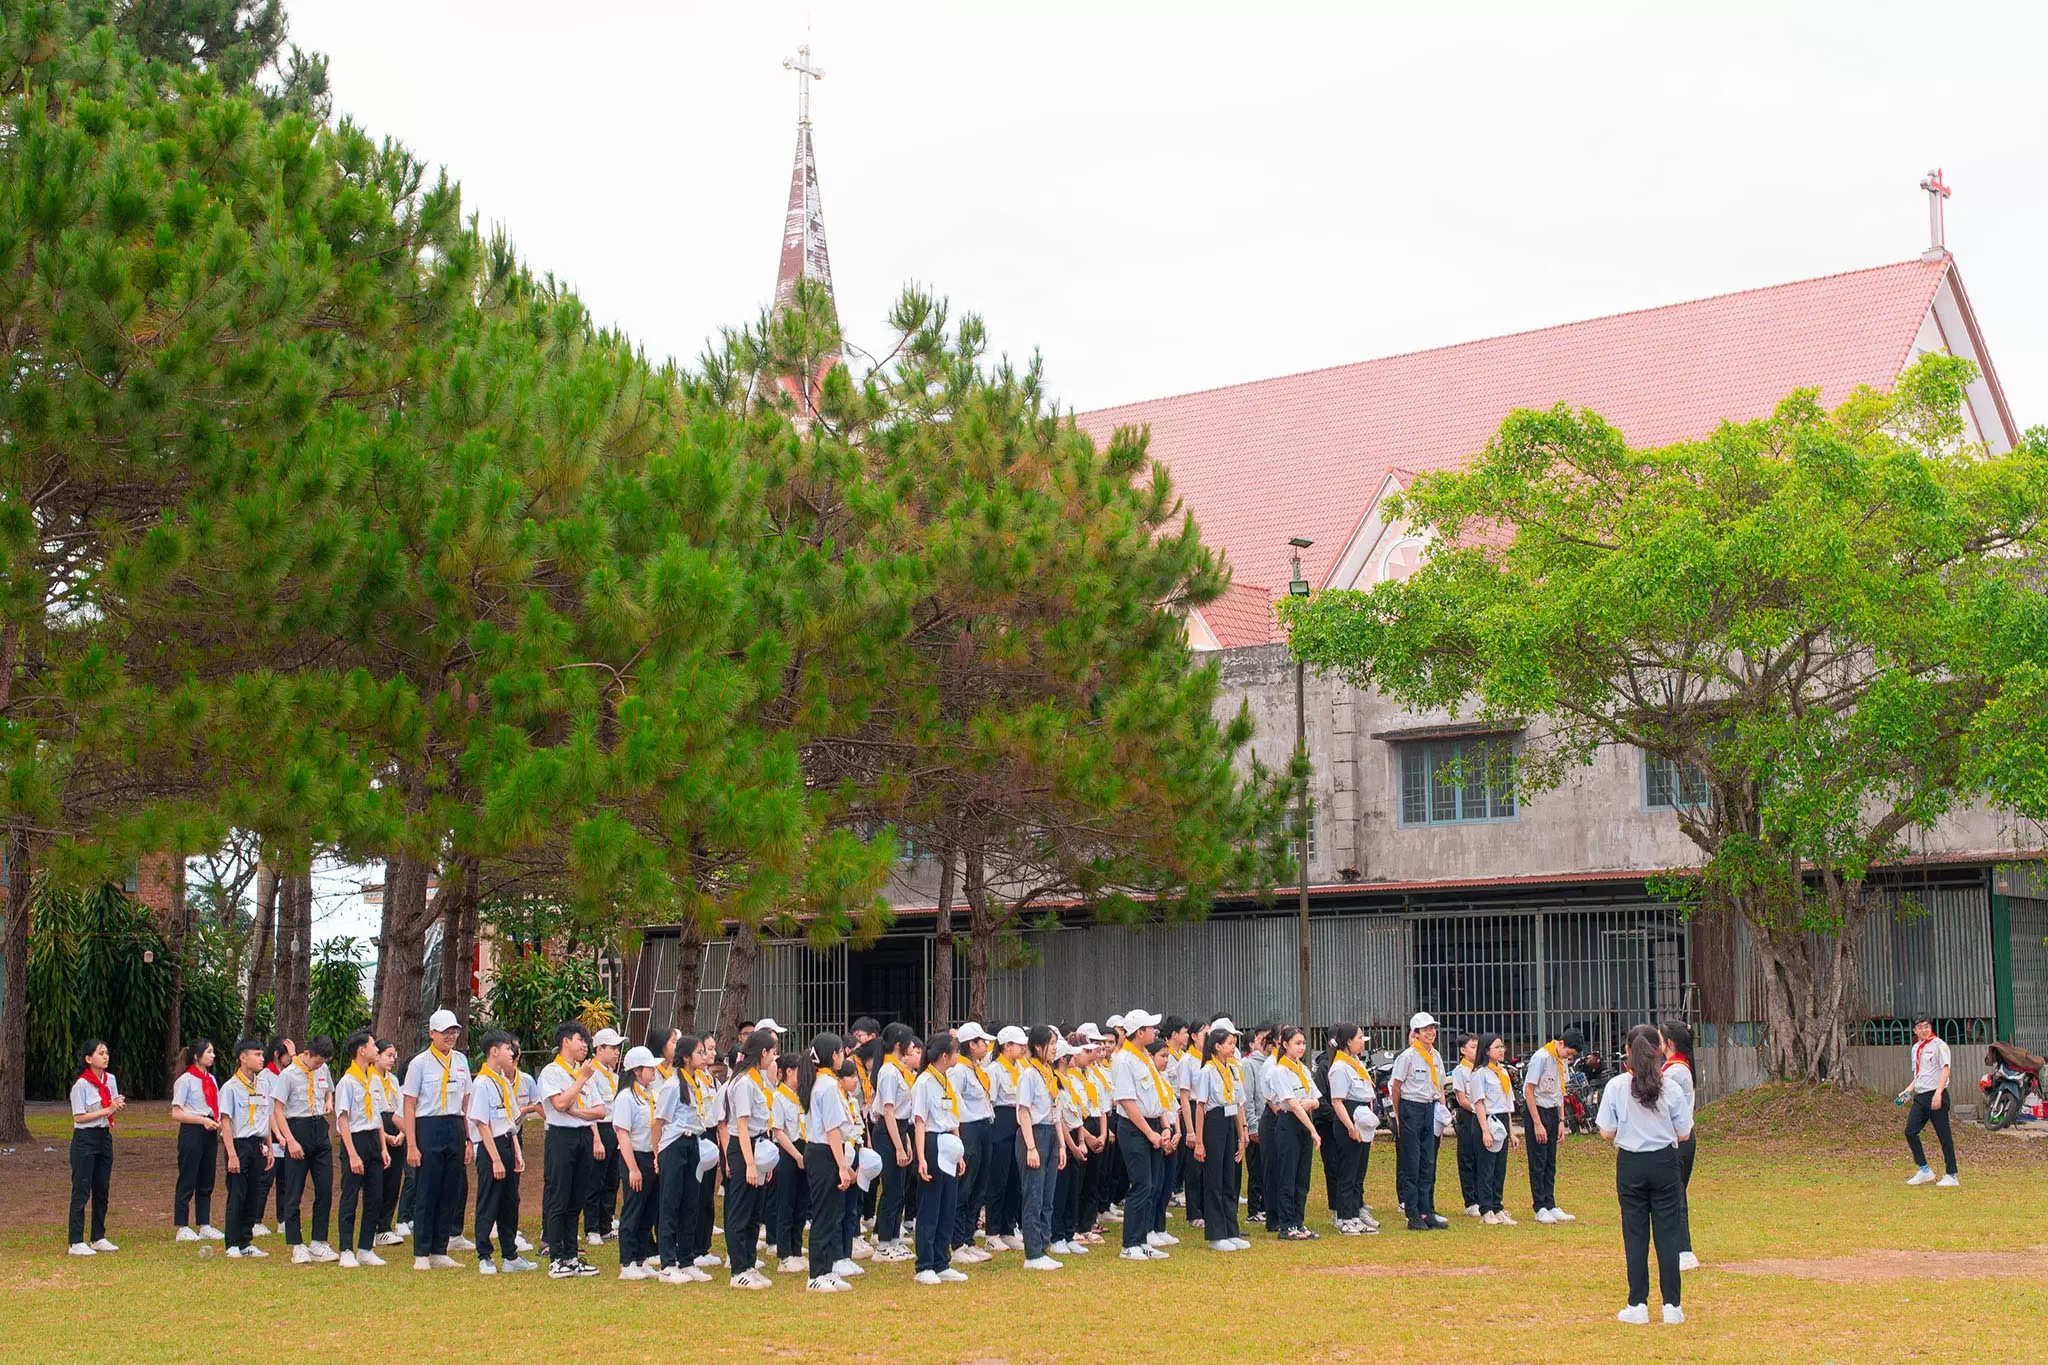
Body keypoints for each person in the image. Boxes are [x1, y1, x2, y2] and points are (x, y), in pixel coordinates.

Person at [1599, 1024, 1694, 1326]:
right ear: (1660, 1050)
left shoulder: (1616, 1086)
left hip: (1631, 1164)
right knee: (1668, 1234)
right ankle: (1672, 1306)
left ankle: (1637, 1303)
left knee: (1635, 1235)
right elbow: (1683, 1133)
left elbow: (1606, 1132)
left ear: (1627, 1050)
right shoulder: (1671, 1086)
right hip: (1665, 1162)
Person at [401, 1008, 471, 1269]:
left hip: (454, 1124)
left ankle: (440, 1249)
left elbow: (465, 1101)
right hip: (427, 1125)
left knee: (450, 1188)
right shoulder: (419, 1063)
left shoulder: (461, 1061)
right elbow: (409, 1104)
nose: (450, 1036)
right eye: (444, 1032)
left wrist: (467, 1139)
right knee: (427, 1190)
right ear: (431, 1033)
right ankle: (422, 1251)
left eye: (453, 1031)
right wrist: (412, 1143)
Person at [538, 1021, 605, 1278]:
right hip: (560, 1137)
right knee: (559, 1196)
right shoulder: (552, 1072)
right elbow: (560, 1102)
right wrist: (581, 1080)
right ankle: (556, 1257)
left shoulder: (585, 1072)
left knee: (577, 1197)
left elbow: (599, 1111)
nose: (585, 1046)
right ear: (566, 1041)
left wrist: (578, 1112)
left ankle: (571, 1255)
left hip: (583, 1134)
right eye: (581, 1040)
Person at [1108, 1009, 1173, 1261]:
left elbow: (1157, 1096)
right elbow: (1126, 1101)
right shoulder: (1124, 1060)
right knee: (1141, 1184)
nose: (1154, 1032)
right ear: (1139, 1032)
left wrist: (1164, 1127)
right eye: (1149, 1028)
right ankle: (1130, 1244)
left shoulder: (1144, 1057)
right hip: (1136, 1128)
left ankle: (1143, 1239)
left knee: (1152, 1185)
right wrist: (1149, 1133)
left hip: (1153, 1124)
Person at [468, 1030, 533, 1275]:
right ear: (494, 1052)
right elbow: (482, 1123)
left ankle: (510, 1255)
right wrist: (495, 1158)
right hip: (490, 1147)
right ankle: (484, 1255)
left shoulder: (503, 1081)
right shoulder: (482, 1082)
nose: (512, 1053)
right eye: (507, 1049)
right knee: (489, 1200)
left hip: (506, 1143)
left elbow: (510, 1119)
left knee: (510, 1201)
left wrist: (517, 1151)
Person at [652, 1032, 713, 1284]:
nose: (704, 1056)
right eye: (699, 1052)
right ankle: (667, 1262)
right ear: (686, 1057)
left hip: (693, 1142)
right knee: (670, 1202)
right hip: (674, 1144)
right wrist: (657, 1154)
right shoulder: (672, 1085)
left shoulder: (697, 1081)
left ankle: (686, 1259)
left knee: (692, 1201)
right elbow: (658, 1122)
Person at [801, 1032, 857, 1292]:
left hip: (825, 1151)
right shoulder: (827, 1086)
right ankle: (816, 1273)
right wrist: (842, 1167)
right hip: (824, 1152)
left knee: (831, 1212)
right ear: (833, 1055)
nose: (844, 1056)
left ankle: (827, 1269)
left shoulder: (824, 1082)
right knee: (824, 1214)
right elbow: (833, 1130)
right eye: (841, 1052)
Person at [910, 1030, 967, 1285]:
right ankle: (925, 1264)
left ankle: (942, 1261)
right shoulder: (924, 1082)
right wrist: (922, 1157)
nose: (958, 1056)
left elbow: (952, 1115)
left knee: (948, 1204)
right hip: (933, 1143)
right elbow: (920, 1122)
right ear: (945, 1056)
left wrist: (960, 1151)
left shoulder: (946, 1079)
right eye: (955, 1052)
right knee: (931, 1205)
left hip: (949, 1144)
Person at [275, 1034, 338, 1263]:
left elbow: (329, 1089)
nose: (320, 1066)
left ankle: (319, 1241)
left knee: (324, 1188)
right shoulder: (289, 1074)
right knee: (294, 1190)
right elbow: (278, 1110)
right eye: (317, 1061)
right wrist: (290, 1140)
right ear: (308, 1054)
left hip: (318, 1127)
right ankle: (296, 1243)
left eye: (323, 1062)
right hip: (297, 1127)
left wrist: (329, 1101)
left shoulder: (323, 1070)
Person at [725, 1025, 780, 1289]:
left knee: (755, 1210)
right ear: (762, 1053)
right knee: (741, 1210)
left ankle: (749, 1262)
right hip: (744, 1147)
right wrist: (749, 1163)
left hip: (758, 1146)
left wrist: (763, 1162)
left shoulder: (758, 1080)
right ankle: (738, 1270)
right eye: (772, 1052)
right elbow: (742, 1125)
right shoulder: (744, 1083)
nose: (774, 1058)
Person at [1190, 1020, 1250, 1252]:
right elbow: (1200, 1106)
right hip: (1213, 1121)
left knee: (1229, 1178)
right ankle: (1216, 1233)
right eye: (1229, 1043)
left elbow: (1239, 1102)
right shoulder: (1207, 1071)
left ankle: (1230, 1229)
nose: (1233, 1047)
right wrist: (1199, 1141)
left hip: (1230, 1121)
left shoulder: (1233, 1069)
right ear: (1216, 1046)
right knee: (1214, 1178)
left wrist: (1242, 1132)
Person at [333, 1029, 390, 1268]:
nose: (376, 1050)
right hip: (354, 1140)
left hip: (373, 1140)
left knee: (375, 1196)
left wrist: (383, 1147)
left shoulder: (374, 1079)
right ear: (361, 1050)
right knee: (350, 1196)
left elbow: (377, 1116)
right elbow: (342, 1120)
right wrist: (353, 1154)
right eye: (373, 1046)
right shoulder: (347, 1082)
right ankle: (346, 1248)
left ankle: (366, 1247)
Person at [1389, 1012, 1448, 1232]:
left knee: (1428, 1161)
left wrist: (1440, 1110)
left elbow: (1439, 1085)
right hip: (1411, 1107)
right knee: (1412, 1162)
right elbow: (1396, 1087)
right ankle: (1412, 1212)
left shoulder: (1436, 1056)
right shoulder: (1408, 1056)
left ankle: (1427, 1210)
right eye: (1425, 1030)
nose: (1430, 1033)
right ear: (1415, 1033)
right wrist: (1398, 1115)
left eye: (1432, 1028)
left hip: (1429, 1107)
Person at [1260, 1025, 1320, 1241]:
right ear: (1284, 1045)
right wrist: (1313, 1129)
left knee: (1302, 1177)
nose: (1301, 1047)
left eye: (1303, 1043)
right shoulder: (1279, 1070)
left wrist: (1309, 1104)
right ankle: (1286, 1224)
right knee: (1287, 1174)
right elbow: (1293, 1104)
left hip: (1303, 1122)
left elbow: (1315, 1099)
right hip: (1288, 1123)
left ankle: (1298, 1221)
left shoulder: (1302, 1069)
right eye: (1297, 1043)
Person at [67, 1039, 124, 1255]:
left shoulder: (110, 1080)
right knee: (81, 1189)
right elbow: (79, 1117)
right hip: (85, 1138)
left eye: (107, 1053)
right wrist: (107, 1109)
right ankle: (75, 1241)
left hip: (103, 1136)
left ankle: (98, 1236)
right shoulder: (81, 1085)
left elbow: (111, 1107)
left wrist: (116, 1106)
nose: (106, 1057)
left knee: (102, 1189)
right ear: (89, 1059)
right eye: (101, 1053)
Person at [946, 1022, 997, 1265]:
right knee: (965, 1187)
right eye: (982, 1042)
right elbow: (955, 1103)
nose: (986, 1046)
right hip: (968, 1129)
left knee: (980, 1186)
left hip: (984, 1126)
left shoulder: (977, 1069)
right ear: (971, 1045)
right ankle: (957, 1243)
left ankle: (968, 1239)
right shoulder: (958, 1071)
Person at [1522, 1027, 1584, 1224]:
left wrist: (1561, 1121)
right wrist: (1537, 1123)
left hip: (1552, 1111)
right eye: (1568, 1053)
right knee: (1538, 1160)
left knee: (1550, 1161)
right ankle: (1539, 1206)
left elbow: (1560, 1092)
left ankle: (1550, 1203)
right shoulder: (1541, 1057)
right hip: (1537, 1110)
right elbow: (1529, 1091)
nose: (1569, 1057)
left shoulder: (1561, 1061)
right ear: (1561, 1043)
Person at [868, 1023, 920, 1261]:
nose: (913, 1047)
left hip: (900, 1129)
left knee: (899, 1189)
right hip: (888, 1132)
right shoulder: (888, 1071)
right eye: (910, 1043)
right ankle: (883, 1243)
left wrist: (906, 1141)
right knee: (890, 1189)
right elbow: (888, 1111)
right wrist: (898, 1145)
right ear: (899, 1045)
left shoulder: (899, 1070)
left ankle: (895, 1240)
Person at [1016, 1023, 1066, 1270]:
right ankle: (1033, 1253)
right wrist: (1031, 1147)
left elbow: (1055, 1110)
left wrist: (1063, 1145)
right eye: (1052, 1044)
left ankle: (1044, 1246)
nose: (1055, 1049)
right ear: (1038, 1047)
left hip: (1051, 1132)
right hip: (1034, 1133)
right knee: (1033, 1196)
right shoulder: (1029, 1074)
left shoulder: (1049, 1073)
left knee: (1048, 1196)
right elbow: (1023, 1111)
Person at [219, 1039, 274, 1259]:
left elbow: (265, 1117)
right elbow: (225, 1122)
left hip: (257, 1143)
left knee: (254, 1193)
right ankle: (232, 1242)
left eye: (262, 1055)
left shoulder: (262, 1085)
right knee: (238, 1193)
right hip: (239, 1144)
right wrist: (232, 1154)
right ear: (243, 1057)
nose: (261, 1059)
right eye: (257, 1055)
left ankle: (246, 1241)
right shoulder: (231, 1087)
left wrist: (269, 1146)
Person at [612, 1045, 662, 1279]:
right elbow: (623, 1134)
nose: (654, 1071)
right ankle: (627, 1261)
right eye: (649, 1068)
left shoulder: (651, 1094)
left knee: (649, 1210)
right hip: (634, 1156)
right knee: (633, 1208)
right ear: (637, 1070)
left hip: (651, 1156)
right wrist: (632, 1168)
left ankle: (641, 1258)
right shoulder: (625, 1098)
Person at [1323, 1022, 1378, 1235]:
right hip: (1349, 1118)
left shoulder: (1357, 1063)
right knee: (1347, 1172)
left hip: (1364, 1118)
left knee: (1358, 1172)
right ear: (1347, 1041)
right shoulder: (1339, 1067)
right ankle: (1345, 1217)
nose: (1361, 1044)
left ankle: (1355, 1214)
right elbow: (1337, 1101)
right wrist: (1351, 1128)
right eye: (1358, 1039)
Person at [170, 1038, 224, 1242]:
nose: (212, 1055)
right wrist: (201, 1120)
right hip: (192, 1130)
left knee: (206, 1178)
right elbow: (176, 1113)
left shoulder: (211, 1079)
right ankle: (182, 1225)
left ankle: (204, 1223)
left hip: (209, 1129)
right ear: (196, 1056)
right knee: (188, 1177)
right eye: (208, 1052)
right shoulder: (185, 1080)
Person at [984, 1025, 1027, 1252]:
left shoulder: (1021, 1068)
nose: (1022, 1049)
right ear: (1006, 1046)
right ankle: (992, 1231)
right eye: (1018, 1045)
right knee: (998, 1179)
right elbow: (989, 1102)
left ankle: (1008, 1229)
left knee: (1015, 1179)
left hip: (1019, 1121)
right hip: (1000, 1121)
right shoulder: (994, 1069)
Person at [765, 1052, 809, 1274]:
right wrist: (796, 1155)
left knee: (801, 1204)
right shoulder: (778, 1097)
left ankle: (797, 1249)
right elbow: (779, 1131)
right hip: (788, 1153)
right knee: (786, 1204)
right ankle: (784, 1254)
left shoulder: (802, 1096)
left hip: (805, 1149)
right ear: (789, 1072)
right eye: (800, 1070)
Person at [1660, 1021, 1699, 1270]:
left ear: (1670, 1044)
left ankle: (1684, 1250)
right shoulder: (1679, 1068)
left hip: (1678, 1140)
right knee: (1676, 1194)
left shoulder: (1675, 1071)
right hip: (1681, 1137)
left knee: (1676, 1195)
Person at [1469, 1033, 1518, 1225]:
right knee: (1486, 1167)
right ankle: (1486, 1208)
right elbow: (1479, 1103)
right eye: (1497, 1047)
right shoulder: (1479, 1073)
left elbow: (1507, 1104)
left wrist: (1512, 1132)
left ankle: (1498, 1206)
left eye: (1502, 1047)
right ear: (1487, 1050)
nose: (1501, 1051)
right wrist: (1485, 1131)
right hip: (1487, 1120)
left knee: (1500, 1167)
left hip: (1502, 1120)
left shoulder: (1503, 1072)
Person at [1903, 1016, 1958, 1187]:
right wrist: (1907, 1091)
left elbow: (1945, 1069)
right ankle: (1924, 1170)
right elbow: (1919, 1074)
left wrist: (1938, 1093)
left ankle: (1951, 1174)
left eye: (1927, 1026)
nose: (1924, 1030)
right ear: (1915, 1030)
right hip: (1920, 1096)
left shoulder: (1939, 1045)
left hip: (1936, 1095)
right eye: (1920, 1027)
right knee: (1910, 1131)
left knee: (1944, 1136)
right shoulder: (1916, 1048)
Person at [582, 1026, 624, 1246]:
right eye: (613, 1048)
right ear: (599, 1049)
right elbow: (590, 1107)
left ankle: (606, 1224)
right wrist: (596, 1138)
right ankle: (592, 1228)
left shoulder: (613, 1075)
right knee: (594, 1180)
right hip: (598, 1128)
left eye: (618, 1048)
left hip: (613, 1130)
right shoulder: (591, 1074)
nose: (617, 1052)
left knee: (611, 1179)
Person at [254, 1037, 294, 1239]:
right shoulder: (266, 1077)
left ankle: (283, 1218)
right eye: (288, 1055)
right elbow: (268, 1110)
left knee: (285, 1180)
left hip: (286, 1132)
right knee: (266, 1178)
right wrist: (277, 1134)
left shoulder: (286, 1075)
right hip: (272, 1133)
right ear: (278, 1055)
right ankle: (256, 1219)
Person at [371, 1040, 407, 1246]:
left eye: (394, 1056)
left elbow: (402, 1108)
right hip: (377, 1127)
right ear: (377, 1056)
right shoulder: (369, 1079)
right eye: (388, 1055)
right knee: (377, 1180)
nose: (392, 1060)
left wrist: (402, 1134)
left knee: (393, 1181)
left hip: (396, 1126)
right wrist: (384, 1136)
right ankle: (373, 1225)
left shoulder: (393, 1080)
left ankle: (385, 1226)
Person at [1241, 1024, 1271, 1225]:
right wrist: (1252, 1125)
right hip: (1256, 1123)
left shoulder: (1271, 1063)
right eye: (1263, 1038)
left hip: (1269, 1125)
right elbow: (1248, 1097)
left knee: (1267, 1168)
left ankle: (1265, 1205)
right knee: (1256, 1169)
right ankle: (1254, 1209)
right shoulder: (1249, 1064)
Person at [1450, 1033, 1482, 1216]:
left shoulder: (1481, 1069)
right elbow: (1461, 1099)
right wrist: (1477, 1110)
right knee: (1467, 1158)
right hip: (1468, 1116)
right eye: (1472, 1047)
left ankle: (1482, 1196)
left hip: (1481, 1116)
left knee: (1481, 1157)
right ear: (1463, 1050)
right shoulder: (1460, 1071)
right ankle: (1470, 1201)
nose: (1476, 1050)